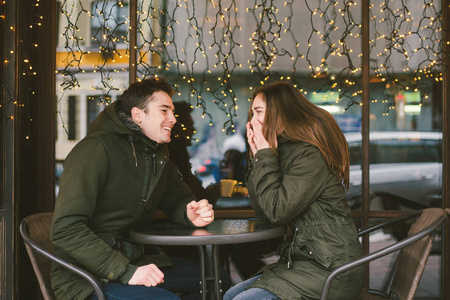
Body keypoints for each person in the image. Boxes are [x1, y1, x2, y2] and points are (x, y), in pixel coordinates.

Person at [51, 78, 230, 300]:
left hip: (133, 260)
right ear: (138, 115)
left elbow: (176, 199)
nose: (173, 119)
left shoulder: (157, 152)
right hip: (85, 278)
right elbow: (65, 228)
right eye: (164, 111)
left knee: (216, 278)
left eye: (172, 111)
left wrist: (189, 212)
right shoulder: (94, 150)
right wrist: (125, 271)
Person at [224, 82, 365, 300]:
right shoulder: (282, 149)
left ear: (281, 112)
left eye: (259, 112)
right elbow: (265, 210)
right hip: (303, 260)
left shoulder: (309, 154)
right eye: (252, 113)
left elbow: (276, 212)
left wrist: (263, 155)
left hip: (331, 267)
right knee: (231, 294)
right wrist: (258, 158)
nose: (252, 121)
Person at [167, 101, 220, 204]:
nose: (193, 129)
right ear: (177, 127)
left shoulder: (178, 153)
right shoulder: (175, 155)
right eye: (190, 125)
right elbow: (190, 192)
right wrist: (211, 193)